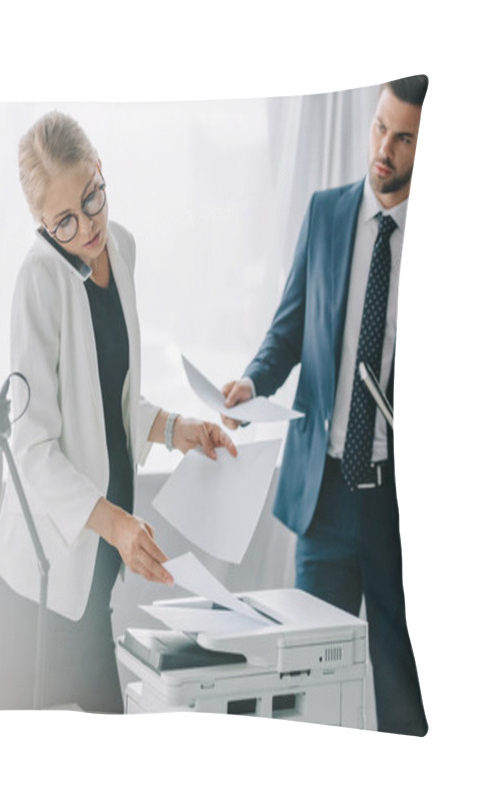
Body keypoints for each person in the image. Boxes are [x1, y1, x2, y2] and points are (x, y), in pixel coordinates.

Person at [0, 110, 237, 713]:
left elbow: (106, 400)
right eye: (64, 221)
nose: (86, 226)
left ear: (100, 170)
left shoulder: (120, 250)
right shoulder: (38, 280)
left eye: (92, 199)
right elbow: (34, 447)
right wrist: (117, 524)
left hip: (90, 590)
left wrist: (177, 430)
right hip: (34, 606)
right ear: (40, 223)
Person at [221, 76, 428, 735]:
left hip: (399, 503)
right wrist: (252, 384)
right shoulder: (327, 212)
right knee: (309, 692)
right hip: (326, 495)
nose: (383, 149)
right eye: (378, 128)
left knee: (403, 690)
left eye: (403, 138)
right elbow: (288, 331)